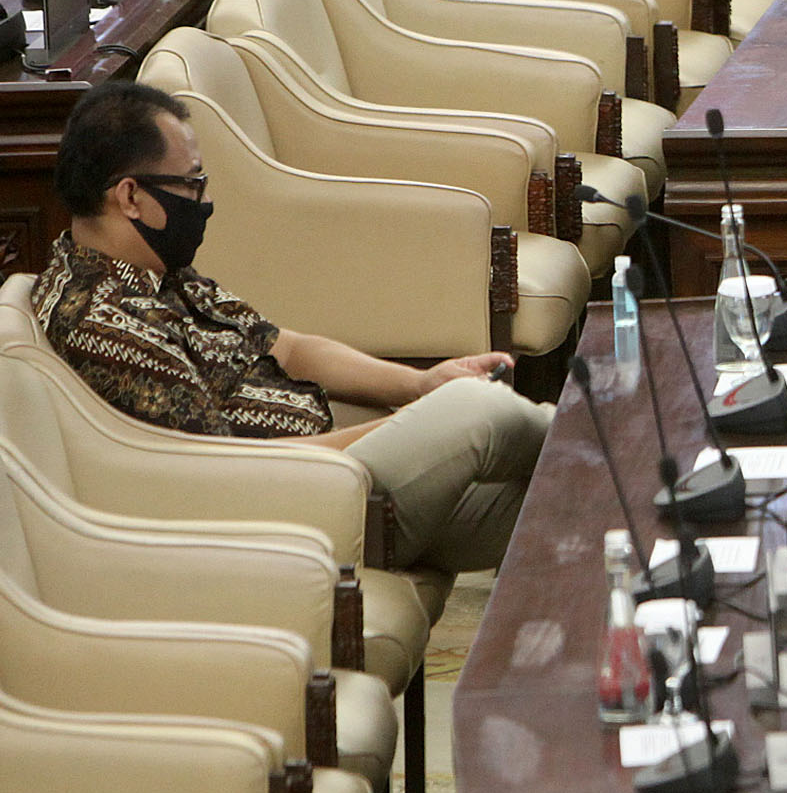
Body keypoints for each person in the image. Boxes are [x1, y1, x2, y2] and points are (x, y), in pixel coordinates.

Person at [33, 80, 547, 575]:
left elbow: (289, 349)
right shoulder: (103, 323)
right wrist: (413, 425)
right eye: (191, 183)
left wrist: (420, 385)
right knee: (477, 410)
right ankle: (586, 427)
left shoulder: (159, 274)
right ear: (130, 196)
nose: (203, 200)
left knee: (552, 509)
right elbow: (222, 470)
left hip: (327, 469)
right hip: (293, 509)